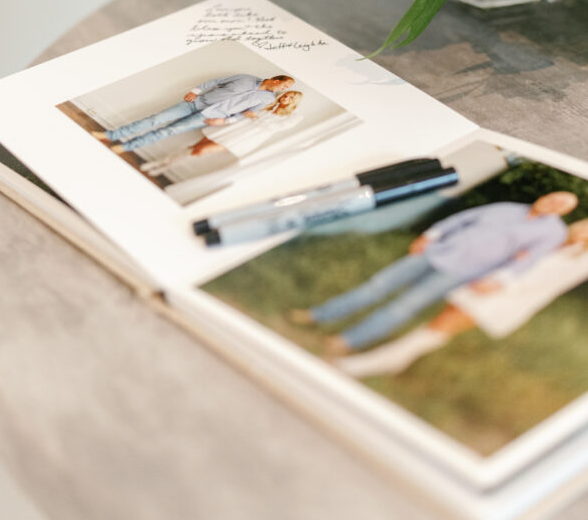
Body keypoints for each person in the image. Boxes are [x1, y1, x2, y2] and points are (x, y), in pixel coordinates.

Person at [289, 192, 579, 355]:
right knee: (375, 286)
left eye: (561, 205)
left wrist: (498, 280)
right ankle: (317, 316)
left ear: (563, 212)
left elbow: (526, 262)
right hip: (435, 251)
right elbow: (462, 219)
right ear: (546, 196)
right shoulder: (506, 205)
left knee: (403, 307)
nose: (554, 204)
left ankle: (345, 342)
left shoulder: (552, 233)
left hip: (461, 272)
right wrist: (430, 235)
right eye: (554, 198)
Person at [337, 217, 588, 378]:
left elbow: (545, 281)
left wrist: (499, 283)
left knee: (443, 326)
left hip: (504, 296)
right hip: (489, 283)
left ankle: (373, 362)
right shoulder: (558, 239)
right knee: (440, 322)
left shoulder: (582, 260)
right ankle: (394, 358)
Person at [93, 74, 294, 152]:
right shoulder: (246, 78)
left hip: (209, 117)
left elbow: (247, 114)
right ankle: (110, 136)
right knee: (155, 119)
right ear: (276, 80)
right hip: (195, 103)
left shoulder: (267, 100)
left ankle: (126, 147)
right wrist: (195, 91)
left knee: (168, 132)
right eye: (284, 86)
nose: (283, 90)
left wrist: (223, 122)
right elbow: (216, 82)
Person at [140, 91, 303, 176]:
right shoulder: (266, 105)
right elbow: (242, 113)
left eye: (289, 98)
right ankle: (159, 163)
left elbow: (275, 128)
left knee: (200, 151)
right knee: (196, 146)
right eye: (285, 95)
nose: (285, 99)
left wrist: (256, 117)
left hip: (243, 138)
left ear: (294, 102)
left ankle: (162, 167)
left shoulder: (294, 116)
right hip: (232, 129)